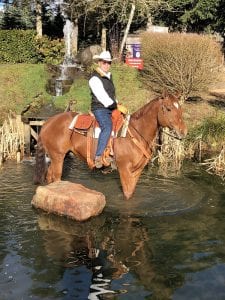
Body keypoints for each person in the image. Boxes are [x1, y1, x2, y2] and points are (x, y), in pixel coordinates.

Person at [89, 50, 117, 168]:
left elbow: (111, 95)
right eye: (104, 62)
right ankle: (99, 156)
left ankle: (113, 152)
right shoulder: (94, 79)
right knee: (107, 126)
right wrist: (115, 105)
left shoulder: (108, 77)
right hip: (100, 108)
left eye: (108, 62)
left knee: (122, 123)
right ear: (99, 63)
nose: (106, 64)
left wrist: (118, 103)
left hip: (110, 106)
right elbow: (102, 97)